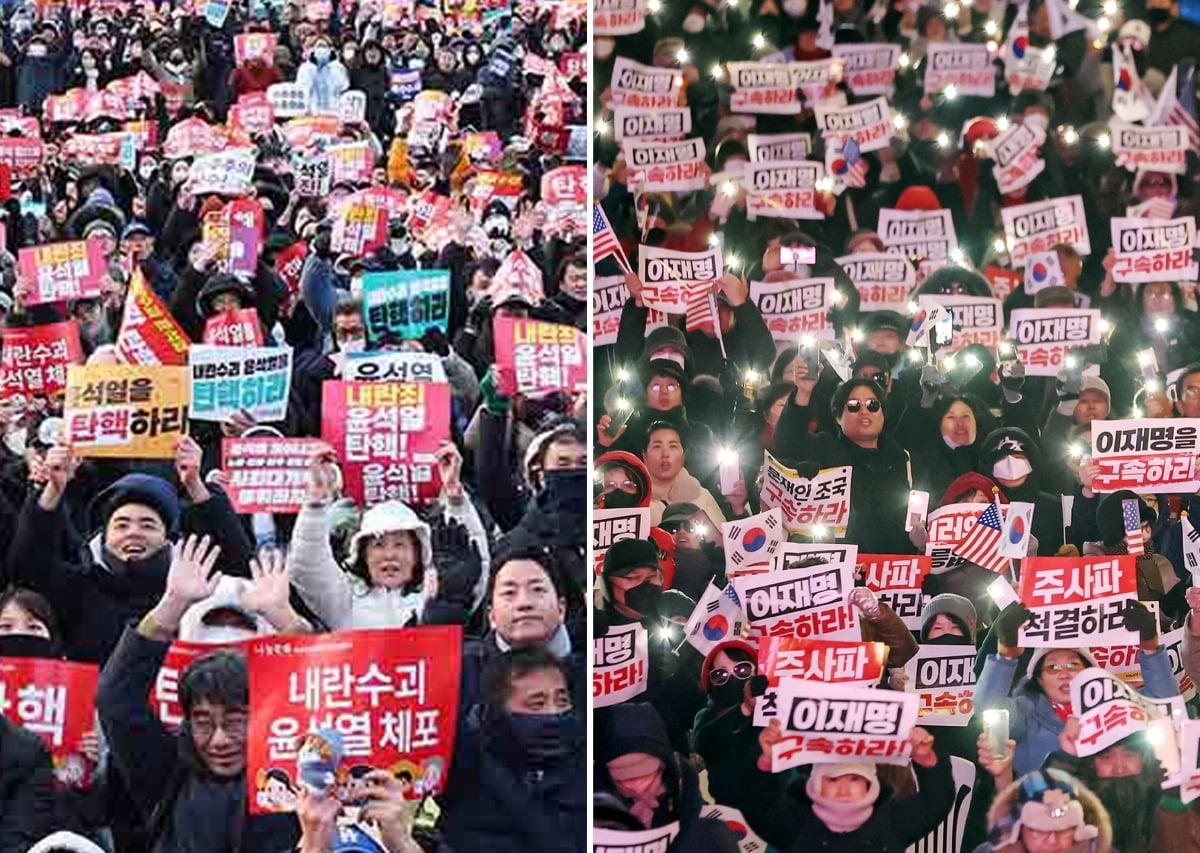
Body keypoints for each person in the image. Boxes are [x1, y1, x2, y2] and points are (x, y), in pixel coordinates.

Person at [96, 535, 300, 850]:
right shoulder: (168, 772)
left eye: (235, 721)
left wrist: (287, 621)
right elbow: (116, 701)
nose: (219, 740)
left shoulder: (298, 769)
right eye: (204, 722)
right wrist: (172, 604)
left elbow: (329, 693)